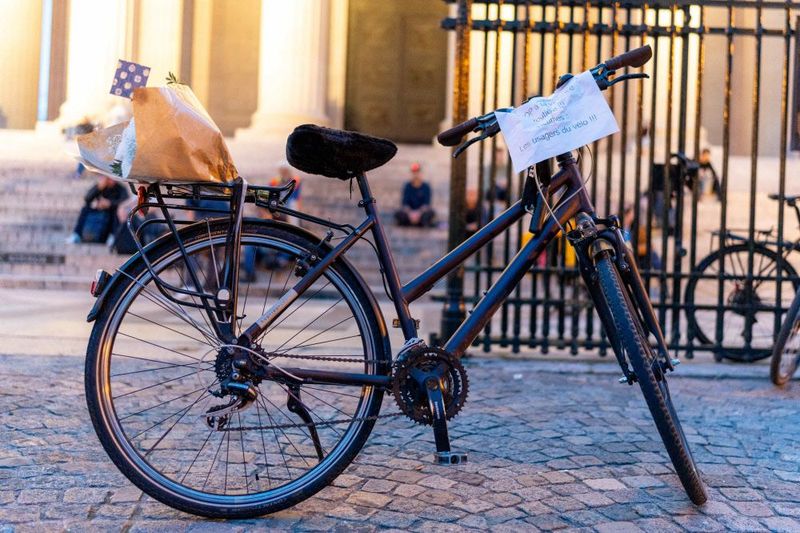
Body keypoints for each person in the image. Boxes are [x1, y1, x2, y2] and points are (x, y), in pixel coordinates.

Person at [66, 175, 129, 244]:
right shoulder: (100, 186)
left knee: (117, 211)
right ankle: (76, 234)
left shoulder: (121, 188)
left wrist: (110, 203)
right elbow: (87, 199)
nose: (111, 180)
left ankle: (113, 236)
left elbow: (124, 201)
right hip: (100, 211)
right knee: (85, 208)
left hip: (111, 212)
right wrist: (98, 188)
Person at [395, 162, 436, 227]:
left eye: (417, 172)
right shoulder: (407, 186)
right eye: (414, 172)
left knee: (431, 213)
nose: (416, 174)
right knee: (398, 213)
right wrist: (410, 214)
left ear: (420, 173)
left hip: (421, 213)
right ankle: (416, 223)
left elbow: (426, 205)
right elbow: (405, 204)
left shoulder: (426, 187)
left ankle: (416, 223)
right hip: (409, 213)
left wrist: (418, 213)